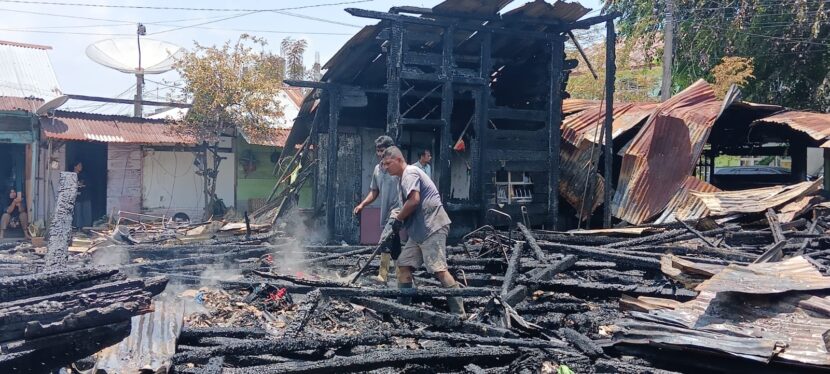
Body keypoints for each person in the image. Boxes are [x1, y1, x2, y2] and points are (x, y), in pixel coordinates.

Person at [381, 146, 465, 316]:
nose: (385, 167)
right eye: (383, 164)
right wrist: (396, 218)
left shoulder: (410, 172)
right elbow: (405, 206)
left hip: (432, 226)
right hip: (419, 231)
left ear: (398, 160)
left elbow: (414, 201)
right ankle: (403, 309)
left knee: (439, 269)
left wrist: (398, 220)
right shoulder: (401, 180)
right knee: (404, 265)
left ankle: (459, 313)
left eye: (388, 163)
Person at [353, 135, 402, 284]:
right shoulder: (377, 169)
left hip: (399, 211)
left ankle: (383, 275)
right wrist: (362, 204)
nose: (380, 154)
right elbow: (375, 191)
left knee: (385, 240)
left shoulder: (398, 167)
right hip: (387, 212)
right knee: (395, 245)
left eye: (382, 151)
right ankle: (402, 276)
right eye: (378, 151)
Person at [71, 161, 92, 229]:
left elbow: (88, 185)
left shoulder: (84, 175)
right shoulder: (71, 176)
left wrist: (82, 185)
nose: (81, 167)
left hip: (85, 197)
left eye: (81, 165)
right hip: (76, 198)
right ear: (75, 166)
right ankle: (77, 228)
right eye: (79, 165)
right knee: (77, 213)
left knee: (86, 213)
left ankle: (86, 228)